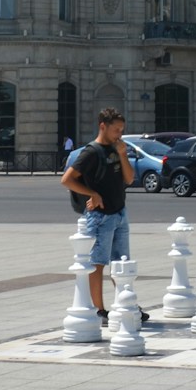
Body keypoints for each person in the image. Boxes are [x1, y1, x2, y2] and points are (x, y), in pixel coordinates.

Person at [60, 107, 144, 324]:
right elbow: (67, 179)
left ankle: (126, 304)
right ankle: (99, 309)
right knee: (97, 263)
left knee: (121, 263)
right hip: (99, 217)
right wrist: (92, 193)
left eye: (122, 130)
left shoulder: (117, 149)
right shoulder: (91, 152)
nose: (119, 134)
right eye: (116, 130)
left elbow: (128, 179)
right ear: (103, 127)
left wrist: (123, 154)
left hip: (120, 213)